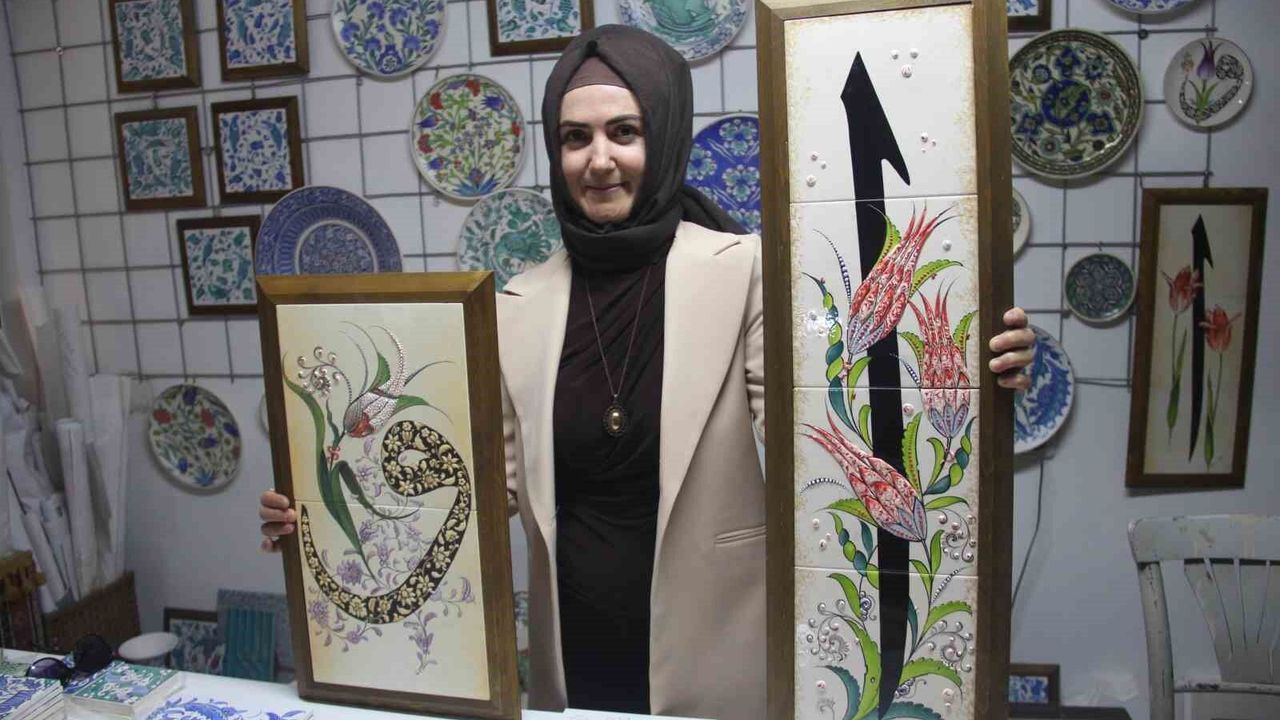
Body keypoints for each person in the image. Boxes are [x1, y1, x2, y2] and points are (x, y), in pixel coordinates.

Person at [259, 24, 1035, 719]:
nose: (598, 160)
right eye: (575, 138)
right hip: (574, 661)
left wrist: (974, 374)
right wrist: (327, 516)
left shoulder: (746, 271)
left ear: (662, 138)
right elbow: (483, 493)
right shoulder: (516, 304)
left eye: (623, 132)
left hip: (717, 657)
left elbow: (834, 423)